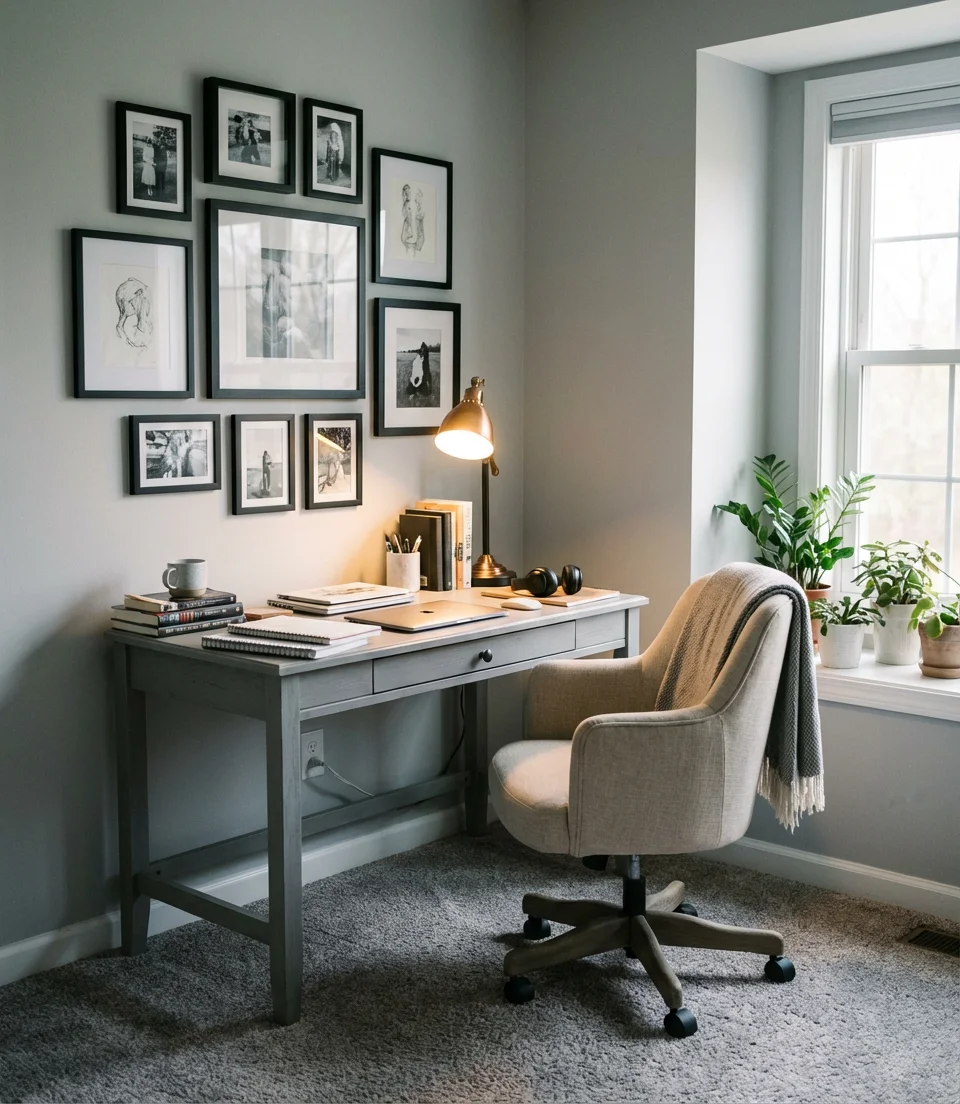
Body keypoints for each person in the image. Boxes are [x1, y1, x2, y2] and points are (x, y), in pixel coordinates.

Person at [400, 184, 415, 253]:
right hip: (407, 223)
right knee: (404, 240)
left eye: (408, 193)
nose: (407, 195)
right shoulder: (406, 204)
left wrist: (410, 228)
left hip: (408, 224)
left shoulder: (409, 204)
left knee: (405, 240)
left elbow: (410, 216)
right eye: (406, 193)